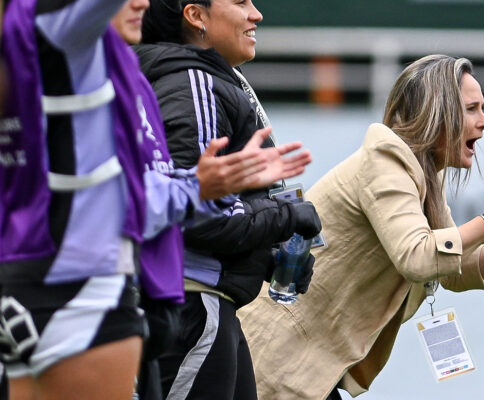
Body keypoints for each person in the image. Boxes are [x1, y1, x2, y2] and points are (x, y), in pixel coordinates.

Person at [0, 0, 308, 398]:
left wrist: (198, 186)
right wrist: (214, 193)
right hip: (81, 294)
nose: (142, 2)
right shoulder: (61, 56)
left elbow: (130, 199)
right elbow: (120, 208)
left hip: (47, 288)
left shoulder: (110, 73)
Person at [238, 54, 484, 399]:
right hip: (276, 358)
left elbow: (452, 268)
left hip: (306, 364)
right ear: (437, 113)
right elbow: (419, 258)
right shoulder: (386, 161)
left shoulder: (422, 172)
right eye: (472, 109)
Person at [135, 0, 322, 398]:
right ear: (195, 16)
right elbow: (197, 212)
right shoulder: (193, 81)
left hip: (206, 303)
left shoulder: (202, 79)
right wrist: (286, 217)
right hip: (192, 302)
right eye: (240, 2)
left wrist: (265, 256)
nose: (256, 14)